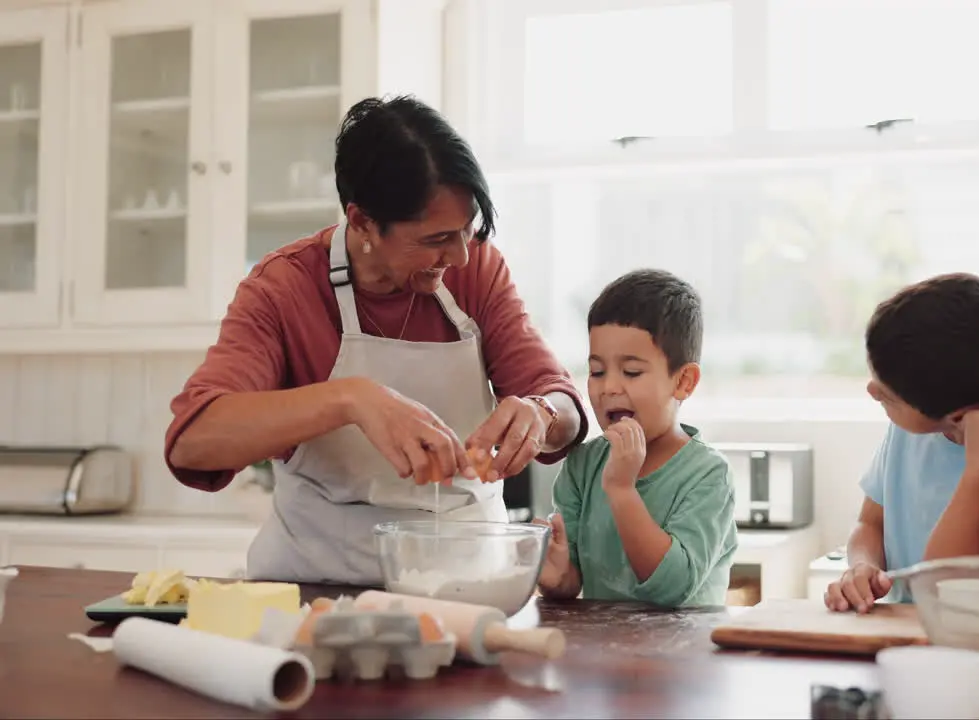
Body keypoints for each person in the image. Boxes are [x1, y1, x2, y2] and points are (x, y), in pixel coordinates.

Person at [163, 96, 588, 585]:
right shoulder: (284, 288)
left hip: (466, 585)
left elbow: (562, 403)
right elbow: (192, 444)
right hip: (316, 584)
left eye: (465, 232)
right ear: (362, 221)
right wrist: (349, 399)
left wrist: (543, 413)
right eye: (434, 240)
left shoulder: (477, 269)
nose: (460, 257)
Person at [825, 274, 979, 614]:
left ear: (958, 416)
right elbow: (870, 523)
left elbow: (947, 587)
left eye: (889, 397)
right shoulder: (911, 430)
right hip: (906, 631)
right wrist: (861, 565)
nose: (872, 390)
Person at [533, 269, 738, 608]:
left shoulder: (708, 475)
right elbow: (572, 581)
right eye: (597, 371)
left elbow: (673, 588)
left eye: (631, 372)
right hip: (607, 655)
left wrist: (621, 490)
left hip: (686, 655)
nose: (609, 386)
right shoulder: (582, 465)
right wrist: (557, 577)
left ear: (684, 382)